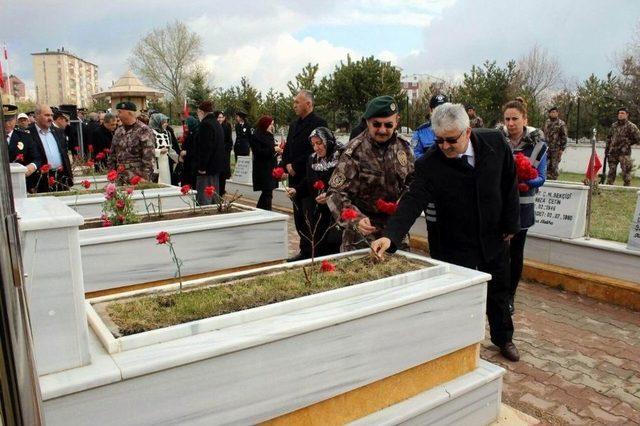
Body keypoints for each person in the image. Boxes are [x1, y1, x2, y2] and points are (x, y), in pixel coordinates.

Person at [371, 103, 521, 362]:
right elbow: (413, 200)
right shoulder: (431, 163)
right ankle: (456, 343)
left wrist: (510, 223)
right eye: (439, 140)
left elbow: (509, 181)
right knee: (457, 294)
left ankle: (503, 337)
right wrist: (390, 236)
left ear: (468, 131)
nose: (444, 146)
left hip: (492, 234)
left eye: (451, 140)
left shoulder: (495, 142)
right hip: (454, 239)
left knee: (498, 289)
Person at [326, 95, 414, 252]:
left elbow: (412, 184)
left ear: (397, 121)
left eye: (388, 125)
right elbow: (335, 193)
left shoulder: (404, 149)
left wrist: (403, 205)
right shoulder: (354, 152)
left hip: (395, 235)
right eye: (376, 124)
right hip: (361, 237)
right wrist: (355, 219)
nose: (382, 130)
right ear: (367, 121)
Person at [500, 97, 547, 314]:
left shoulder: (538, 144)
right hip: (499, 206)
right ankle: (497, 292)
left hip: (522, 206)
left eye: (515, 119)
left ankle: (510, 295)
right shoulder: (498, 139)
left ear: (525, 119)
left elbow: (542, 178)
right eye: (507, 119)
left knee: (516, 252)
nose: (510, 124)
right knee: (499, 252)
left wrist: (525, 181)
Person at [281, 90, 328, 261]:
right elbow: (287, 148)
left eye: (297, 102)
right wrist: (285, 164)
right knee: (299, 217)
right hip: (294, 178)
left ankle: (312, 251)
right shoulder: (294, 125)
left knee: (310, 217)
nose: (294, 105)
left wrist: (296, 165)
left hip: (309, 178)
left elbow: (316, 150)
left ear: (308, 104)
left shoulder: (319, 123)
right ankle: (304, 250)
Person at [288, 127, 342, 256]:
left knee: (334, 242)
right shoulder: (312, 158)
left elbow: (347, 182)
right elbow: (309, 180)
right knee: (318, 241)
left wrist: (330, 195)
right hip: (319, 209)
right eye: (313, 144)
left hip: (337, 209)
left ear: (328, 141)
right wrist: (296, 189)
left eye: (319, 143)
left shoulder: (342, 156)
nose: (316, 148)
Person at [28, 104, 74, 192]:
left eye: (51, 115)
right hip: (41, 179)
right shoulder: (28, 134)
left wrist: (69, 176)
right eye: (47, 115)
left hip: (60, 176)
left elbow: (65, 156)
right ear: (37, 116)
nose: (51, 118)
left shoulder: (59, 132)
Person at [107, 101, 155, 183]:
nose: (118, 115)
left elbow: (149, 157)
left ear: (129, 113)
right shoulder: (119, 130)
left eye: (120, 112)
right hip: (120, 176)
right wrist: (111, 172)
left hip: (137, 176)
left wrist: (145, 178)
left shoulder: (143, 130)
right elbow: (112, 154)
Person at [4, 104, 41, 191]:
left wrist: (32, 167)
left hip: (22, 183)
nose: (7, 123)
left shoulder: (25, 137)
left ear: (15, 120)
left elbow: (37, 158)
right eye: (4, 120)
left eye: (10, 120)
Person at [195, 100, 225, 205]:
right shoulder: (216, 123)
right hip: (216, 166)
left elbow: (206, 147)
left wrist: (202, 167)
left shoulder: (205, 124)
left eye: (198, 112)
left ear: (201, 111)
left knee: (205, 198)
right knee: (214, 197)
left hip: (207, 168)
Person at [250, 115, 281, 210]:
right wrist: (273, 149)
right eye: (270, 124)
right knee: (267, 192)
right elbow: (258, 152)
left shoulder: (269, 134)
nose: (272, 126)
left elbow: (270, 148)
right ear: (265, 124)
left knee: (268, 192)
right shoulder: (256, 135)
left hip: (271, 167)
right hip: (263, 169)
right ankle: (265, 211)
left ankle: (261, 211)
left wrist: (278, 149)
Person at [606, 107, 640, 186]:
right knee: (611, 170)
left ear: (627, 115)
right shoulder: (614, 125)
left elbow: (638, 138)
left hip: (624, 153)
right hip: (613, 152)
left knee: (626, 171)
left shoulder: (631, 126)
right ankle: (609, 185)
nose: (620, 115)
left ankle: (627, 186)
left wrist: (628, 143)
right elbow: (609, 137)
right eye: (619, 113)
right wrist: (607, 148)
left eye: (622, 113)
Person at [412, 94, 448, 160]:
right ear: (431, 110)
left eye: (444, 109)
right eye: (437, 109)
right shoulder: (420, 132)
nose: (441, 113)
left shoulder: (456, 130)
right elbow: (415, 155)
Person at [150, 113, 179, 185]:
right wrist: (159, 151)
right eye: (164, 122)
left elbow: (170, 149)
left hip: (165, 163)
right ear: (158, 122)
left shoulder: (167, 133)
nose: (166, 124)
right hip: (155, 164)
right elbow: (147, 150)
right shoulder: (150, 133)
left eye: (166, 122)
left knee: (166, 183)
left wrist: (178, 158)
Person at [541, 106, 567, 180]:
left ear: (557, 113)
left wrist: (562, 149)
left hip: (556, 149)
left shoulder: (561, 123)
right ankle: (545, 181)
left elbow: (564, 137)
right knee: (544, 165)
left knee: (554, 167)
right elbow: (543, 133)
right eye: (551, 112)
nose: (552, 114)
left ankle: (554, 182)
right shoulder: (547, 122)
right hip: (546, 148)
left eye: (554, 112)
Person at [215, 110, 234, 195]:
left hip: (224, 154)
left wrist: (224, 149)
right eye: (218, 117)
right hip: (216, 154)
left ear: (224, 118)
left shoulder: (227, 126)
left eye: (221, 117)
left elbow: (229, 141)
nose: (220, 119)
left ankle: (222, 191)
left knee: (223, 175)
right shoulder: (214, 126)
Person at [180, 116, 199, 188]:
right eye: (185, 124)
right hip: (187, 164)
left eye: (187, 124)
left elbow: (197, 149)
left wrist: (187, 152)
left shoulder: (196, 134)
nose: (185, 125)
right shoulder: (189, 134)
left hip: (193, 165)